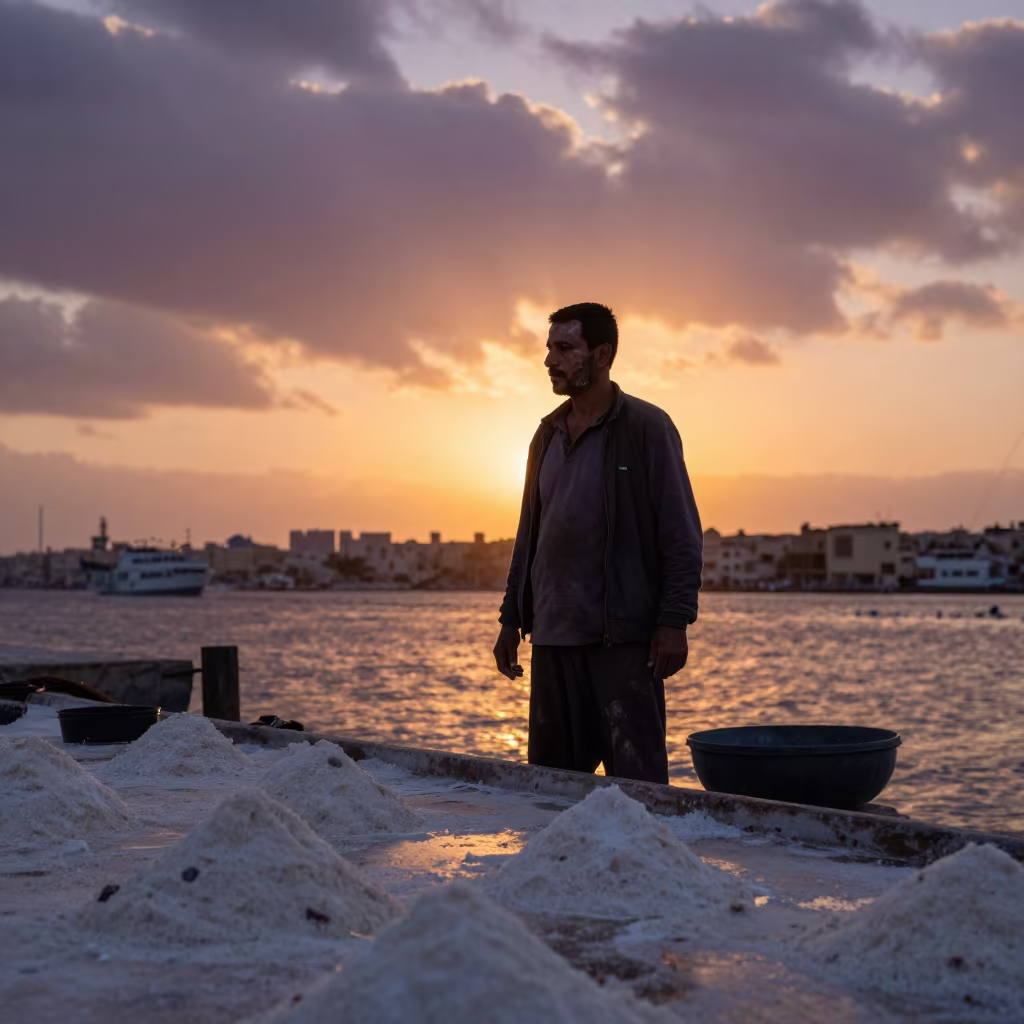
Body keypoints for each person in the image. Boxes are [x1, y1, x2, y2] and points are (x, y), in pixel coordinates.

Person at [492, 302, 702, 785]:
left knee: (639, 789)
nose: (550, 360)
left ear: (602, 354)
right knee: (548, 791)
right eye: (549, 349)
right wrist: (510, 620)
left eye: (565, 348)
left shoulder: (647, 428)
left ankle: (646, 864)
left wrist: (674, 621)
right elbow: (529, 535)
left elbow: (681, 532)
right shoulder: (544, 435)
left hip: (622, 642)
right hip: (550, 640)